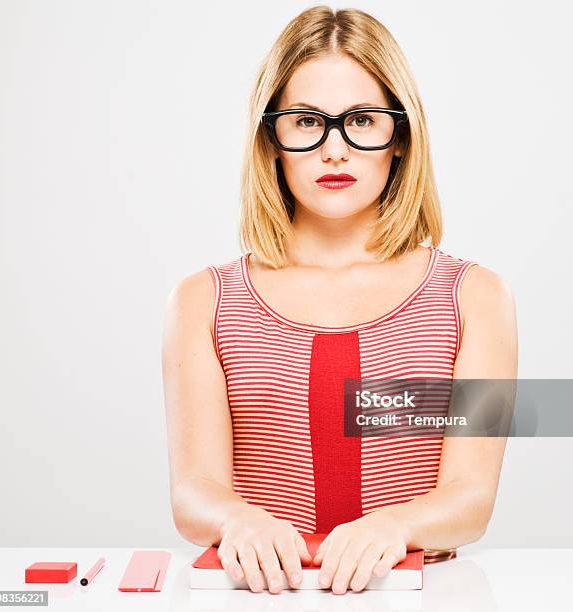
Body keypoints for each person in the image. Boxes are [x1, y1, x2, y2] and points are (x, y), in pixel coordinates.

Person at [162, 5, 517, 595]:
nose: (334, 150)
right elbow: (194, 490)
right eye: (305, 121)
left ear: (400, 137)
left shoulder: (475, 297)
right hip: (259, 599)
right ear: (270, 140)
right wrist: (237, 518)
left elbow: (472, 498)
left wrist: (393, 525)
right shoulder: (201, 301)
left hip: (421, 597)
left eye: (361, 119)